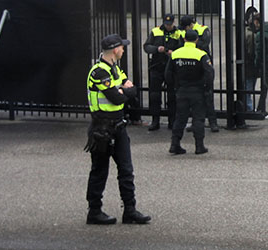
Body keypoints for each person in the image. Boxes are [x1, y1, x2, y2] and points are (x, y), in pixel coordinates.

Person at [84, 33, 151, 225]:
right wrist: (123, 91)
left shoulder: (115, 69)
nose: (123, 49)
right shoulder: (99, 72)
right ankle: (94, 211)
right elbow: (117, 97)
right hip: (102, 128)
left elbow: (132, 89)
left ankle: (130, 210)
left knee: (126, 170)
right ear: (115, 50)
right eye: (122, 47)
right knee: (99, 171)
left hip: (119, 126)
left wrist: (125, 90)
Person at [166, 28, 213, 156]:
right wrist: (207, 88)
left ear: (184, 39)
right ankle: (199, 146)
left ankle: (174, 144)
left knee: (180, 118)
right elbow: (209, 73)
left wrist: (175, 86)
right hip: (197, 90)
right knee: (198, 118)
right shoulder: (201, 54)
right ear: (196, 40)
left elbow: (168, 73)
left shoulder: (176, 53)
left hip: (182, 90)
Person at [180, 15, 220, 132]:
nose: (184, 30)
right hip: (191, 65)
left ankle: (213, 123)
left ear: (190, 25)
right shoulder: (183, 31)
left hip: (203, 63)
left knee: (208, 95)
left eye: (185, 27)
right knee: (194, 97)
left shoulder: (203, 29)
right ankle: (195, 122)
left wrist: (189, 45)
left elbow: (204, 45)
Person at [144, 13, 183, 131]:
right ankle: (155, 121)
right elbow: (146, 47)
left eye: (170, 24)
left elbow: (182, 48)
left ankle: (172, 121)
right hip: (157, 66)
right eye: (166, 24)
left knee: (172, 95)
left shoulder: (178, 33)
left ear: (173, 23)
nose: (168, 26)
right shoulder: (155, 31)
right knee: (154, 95)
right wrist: (156, 49)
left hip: (172, 67)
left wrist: (173, 52)